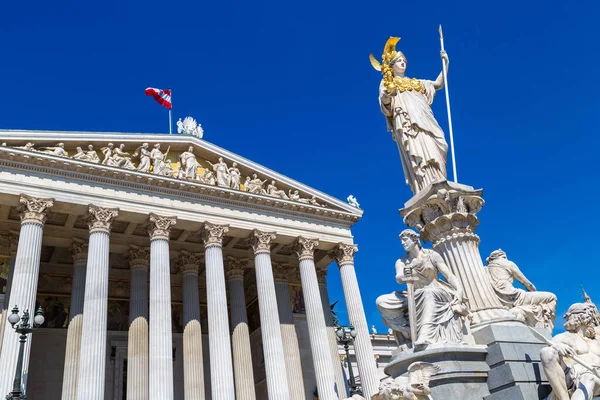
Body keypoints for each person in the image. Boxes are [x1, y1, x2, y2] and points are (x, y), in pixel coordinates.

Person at [377, 38, 450, 194]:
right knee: (418, 152)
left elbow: (438, 84)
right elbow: (384, 102)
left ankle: (440, 178)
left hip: (425, 117)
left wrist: (445, 64)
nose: (403, 63)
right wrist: (389, 94)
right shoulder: (388, 83)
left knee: (439, 143)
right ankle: (425, 185)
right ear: (392, 66)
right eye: (399, 61)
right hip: (408, 123)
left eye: (404, 61)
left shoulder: (417, 83)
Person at [376, 229, 467, 349]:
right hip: (413, 292)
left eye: (405, 240)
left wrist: (459, 290)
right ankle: (409, 331)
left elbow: (448, 275)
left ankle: (426, 335)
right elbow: (398, 277)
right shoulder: (401, 261)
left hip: (435, 289)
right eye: (401, 242)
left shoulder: (432, 255)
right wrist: (405, 274)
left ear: (415, 239)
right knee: (381, 301)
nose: (403, 244)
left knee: (427, 293)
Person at [540, 303, 600, 400]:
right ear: (575, 316)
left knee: (589, 377)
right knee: (546, 352)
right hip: (576, 378)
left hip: (597, 376)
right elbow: (549, 356)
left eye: (591, 312)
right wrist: (557, 347)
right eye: (586, 311)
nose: (590, 315)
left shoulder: (597, 338)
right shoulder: (563, 337)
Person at [486, 249, 557, 329]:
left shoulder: (485, 269)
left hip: (498, 299)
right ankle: (523, 312)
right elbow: (527, 283)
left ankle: (523, 312)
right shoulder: (507, 263)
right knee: (551, 297)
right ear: (504, 256)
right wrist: (533, 291)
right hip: (514, 297)